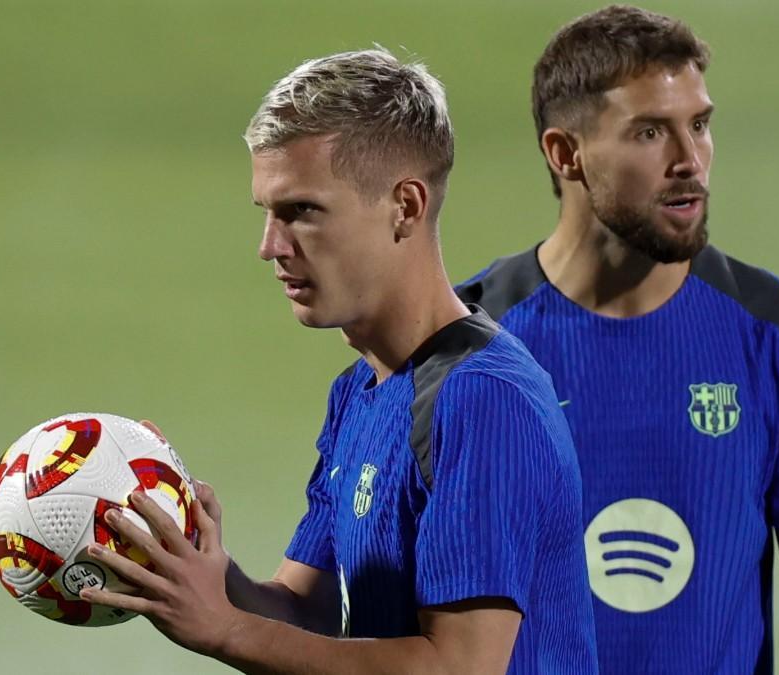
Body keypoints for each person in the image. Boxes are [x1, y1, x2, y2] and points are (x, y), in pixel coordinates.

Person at [81, 48, 598, 675]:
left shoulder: (482, 397)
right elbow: (307, 613)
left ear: (404, 206)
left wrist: (226, 630)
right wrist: (194, 569)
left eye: (302, 211)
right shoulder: (362, 391)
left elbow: (459, 667)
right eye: (267, 213)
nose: (270, 246)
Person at [457, 6, 779, 674]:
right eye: (650, 132)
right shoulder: (465, 344)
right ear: (564, 153)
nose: (690, 161)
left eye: (701, 125)